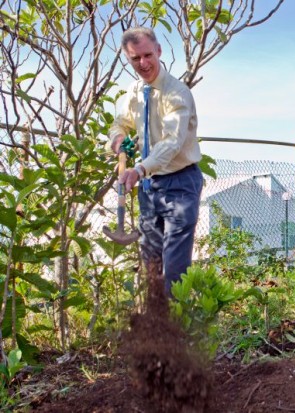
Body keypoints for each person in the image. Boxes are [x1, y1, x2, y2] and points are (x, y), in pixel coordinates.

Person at [107, 27, 203, 296]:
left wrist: (139, 169)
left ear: (159, 51)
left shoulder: (177, 94)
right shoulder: (135, 92)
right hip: (150, 188)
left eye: (148, 55)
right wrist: (117, 139)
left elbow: (172, 142)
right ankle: (153, 318)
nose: (143, 63)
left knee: (174, 268)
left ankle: (176, 319)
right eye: (135, 58)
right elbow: (120, 122)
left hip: (180, 183)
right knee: (151, 263)